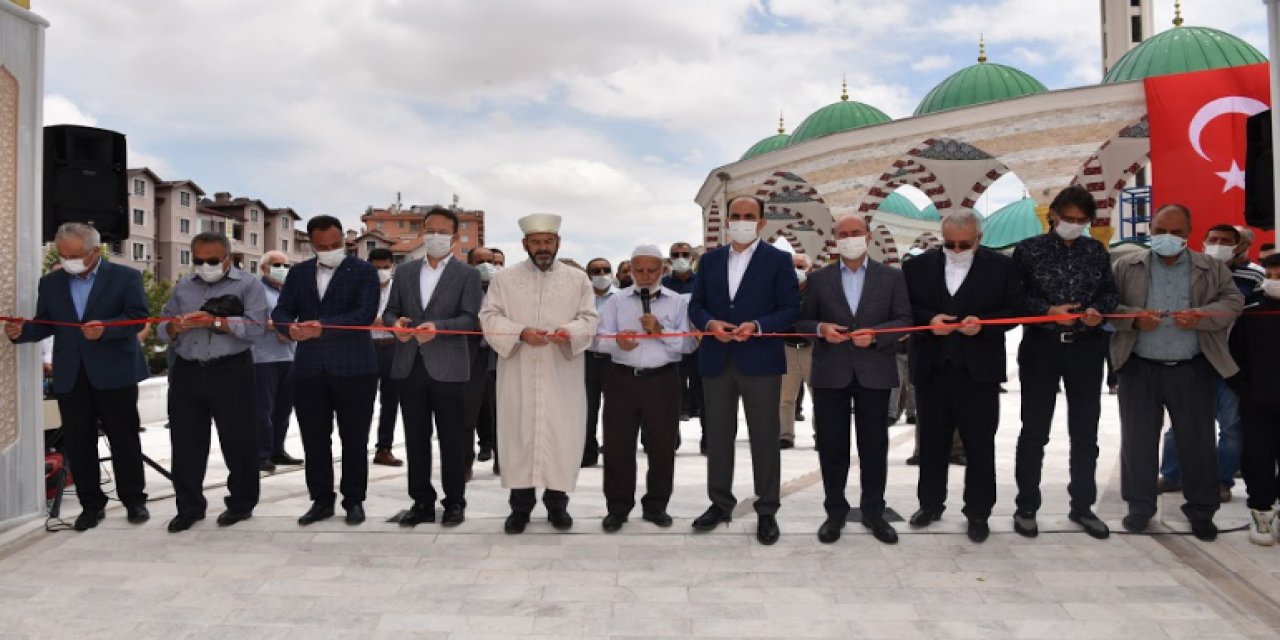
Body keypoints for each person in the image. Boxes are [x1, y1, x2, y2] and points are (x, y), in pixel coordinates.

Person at [4, 223, 150, 531]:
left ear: (95, 251)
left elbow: (137, 319)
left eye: (75, 255)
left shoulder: (126, 277)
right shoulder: (52, 282)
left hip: (115, 372)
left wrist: (106, 329)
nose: (69, 260)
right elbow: (47, 323)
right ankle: (90, 505)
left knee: (124, 439)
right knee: (78, 442)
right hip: (71, 374)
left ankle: (134, 500)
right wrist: (22, 332)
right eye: (63, 255)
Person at [1111, 204, 1243, 541]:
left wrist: (1201, 315)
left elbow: (1232, 302)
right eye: (1160, 231)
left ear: (1189, 233)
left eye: (1176, 232)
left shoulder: (1210, 267)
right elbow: (1108, 305)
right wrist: (1135, 317)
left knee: (1197, 444)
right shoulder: (1127, 265)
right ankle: (1139, 509)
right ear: (1150, 230)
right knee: (1138, 443)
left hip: (1192, 368)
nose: (1167, 238)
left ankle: (1201, 512)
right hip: (1140, 367)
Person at [903, 209, 1023, 543]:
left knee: (979, 444)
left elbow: (1014, 310)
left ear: (979, 239)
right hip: (932, 368)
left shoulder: (1002, 267)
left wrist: (982, 324)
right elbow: (905, 308)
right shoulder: (916, 267)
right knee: (931, 442)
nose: (956, 250)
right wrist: (930, 321)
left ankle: (978, 512)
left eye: (964, 244)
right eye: (950, 244)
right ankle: (930, 504)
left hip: (979, 372)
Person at [688, 195, 800, 545]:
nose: (741, 221)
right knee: (718, 436)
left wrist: (756, 324)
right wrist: (709, 324)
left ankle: (767, 509)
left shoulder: (779, 261)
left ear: (761, 222)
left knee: (765, 437)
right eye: (735, 215)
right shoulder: (709, 261)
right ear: (726, 220)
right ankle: (720, 503)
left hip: (760, 360)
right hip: (717, 359)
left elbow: (789, 308)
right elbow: (696, 305)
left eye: (748, 216)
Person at [478, 213, 599, 534]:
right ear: (525, 244)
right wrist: (519, 332)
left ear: (557, 243)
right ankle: (520, 508)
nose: (542, 247)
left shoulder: (578, 280)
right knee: (519, 435)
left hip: (562, 371)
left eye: (548, 241)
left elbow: (590, 317)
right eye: (536, 242)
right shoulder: (505, 280)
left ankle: (558, 506)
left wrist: (569, 331)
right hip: (518, 368)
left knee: (560, 436)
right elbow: (489, 315)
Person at [1010, 186, 1119, 539]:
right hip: (1042, 349)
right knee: (1034, 431)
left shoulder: (1095, 251)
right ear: (1053, 215)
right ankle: (1027, 506)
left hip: (1087, 349)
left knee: (1085, 431)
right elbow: (1015, 298)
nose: (1074, 225)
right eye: (1068, 219)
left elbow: (1109, 293)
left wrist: (1096, 312)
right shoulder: (1028, 250)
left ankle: (1083, 506)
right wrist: (1047, 312)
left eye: (1081, 221)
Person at [796, 214, 911, 545]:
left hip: (874, 371)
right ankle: (835, 513)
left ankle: (874, 512)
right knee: (832, 446)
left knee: (874, 446)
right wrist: (821, 330)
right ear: (835, 239)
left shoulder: (891, 277)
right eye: (843, 234)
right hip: (831, 372)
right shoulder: (819, 280)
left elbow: (904, 320)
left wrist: (876, 335)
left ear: (868, 236)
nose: (849, 238)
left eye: (855, 233)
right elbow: (802, 321)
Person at [272, 215, 381, 526]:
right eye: (323, 247)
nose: (330, 250)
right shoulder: (298, 273)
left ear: (344, 243)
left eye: (336, 245)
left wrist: (323, 328)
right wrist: (289, 327)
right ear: (312, 245)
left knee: (355, 438)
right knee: (314, 439)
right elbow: (282, 309)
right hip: (309, 370)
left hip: (355, 368)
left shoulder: (364, 271)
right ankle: (321, 501)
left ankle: (354, 500)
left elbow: (365, 314)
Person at [158, 233, 269, 532]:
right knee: (185, 443)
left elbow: (257, 329)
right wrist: (174, 327)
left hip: (231, 370)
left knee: (239, 441)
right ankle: (189, 507)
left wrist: (216, 323)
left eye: (211, 261)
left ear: (227, 258)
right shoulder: (183, 286)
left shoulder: (248, 285)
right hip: (188, 371)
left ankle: (241, 504)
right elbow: (161, 325)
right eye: (198, 260)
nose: (204, 266)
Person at [385, 207, 484, 527]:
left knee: (452, 438)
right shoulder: (405, 272)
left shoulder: (467, 275)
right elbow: (390, 312)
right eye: (430, 230)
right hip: (409, 365)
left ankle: (455, 501)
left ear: (454, 237)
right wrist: (396, 324)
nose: (435, 237)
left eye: (442, 232)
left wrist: (437, 327)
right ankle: (421, 501)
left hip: (449, 367)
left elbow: (471, 318)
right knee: (415, 438)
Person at [596, 245, 696, 532]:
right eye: (639, 270)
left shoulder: (677, 302)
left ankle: (656, 506)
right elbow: (597, 339)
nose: (645, 275)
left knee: (662, 447)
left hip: (663, 380)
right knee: (617, 447)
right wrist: (618, 341)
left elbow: (689, 344)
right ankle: (617, 508)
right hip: (622, 379)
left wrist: (660, 332)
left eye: (652, 270)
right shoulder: (616, 302)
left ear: (663, 270)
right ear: (630, 269)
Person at [1157, 223, 1259, 503]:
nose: (1217, 244)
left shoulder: (1253, 278)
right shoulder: (1187, 271)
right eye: (1212, 239)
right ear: (1201, 241)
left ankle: (1222, 480)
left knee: (1231, 427)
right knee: (1179, 423)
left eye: (1225, 241)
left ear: (1238, 247)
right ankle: (1172, 474)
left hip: (1230, 366)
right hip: (1192, 361)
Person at [1231, 254, 1280, 544]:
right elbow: (1234, 355)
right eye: (1272, 273)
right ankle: (1261, 513)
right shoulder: (1251, 312)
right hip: (1258, 402)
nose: (1276, 279)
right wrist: (1243, 388)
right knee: (1257, 458)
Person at [252, 251, 302, 472]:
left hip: (290, 356)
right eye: (276, 264)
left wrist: (291, 331)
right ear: (264, 268)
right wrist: (279, 327)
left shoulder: (289, 292)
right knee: (263, 409)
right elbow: (251, 320)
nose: (283, 268)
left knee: (283, 409)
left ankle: (277, 450)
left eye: (286, 264)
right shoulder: (256, 291)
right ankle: (260, 454)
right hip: (263, 358)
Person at [662, 241, 704, 446]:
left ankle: (709, 440)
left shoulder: (703, 282)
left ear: (693, 259)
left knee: (703, 393)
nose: (681, 258)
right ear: (669, 260)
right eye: (676, 254)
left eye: (685, 254)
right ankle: (670, 440)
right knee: (670, 395)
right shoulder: (662, 285)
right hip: (671, 346)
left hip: (699, 346)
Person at [367, 248, 404, 467]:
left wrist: (390, 322)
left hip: (392, 348)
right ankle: (356, 445)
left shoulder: (399, 289)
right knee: (362, 401)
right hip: (366, 347)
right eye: (376, 267)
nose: (381, 271)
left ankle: (384, 448)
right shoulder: (360, 288)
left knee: (390, 401)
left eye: (385, 267)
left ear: (392, 267)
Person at [464, 247, 499, 470]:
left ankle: (503, 460)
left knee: (502, 409)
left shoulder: (504, 289)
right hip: (470, 355)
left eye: (490, 261)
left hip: (499, 355)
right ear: (470, 265)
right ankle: (466, 461)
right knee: (468, 412)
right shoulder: (463, 288)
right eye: (480, 261)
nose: (486, 265)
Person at [582, 257, 616, 467]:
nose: (601, 274)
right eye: (596, 271)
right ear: (588, 275)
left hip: (614, 360)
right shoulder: (580, 299)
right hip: (586, 359)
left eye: (605, 270)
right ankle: (587, 453)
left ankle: (614, 452)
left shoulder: (621, 298)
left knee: (615, 410)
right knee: (587, 408)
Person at [779, 253, 814, 449]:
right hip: (787, 348)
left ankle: (821, 434)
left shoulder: (816, 291)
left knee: (818, 394)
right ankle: (785, 435)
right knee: (785, 398)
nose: (796, 271)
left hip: (811, 348)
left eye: (801, 266)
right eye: (793, 266)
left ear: (808, 269)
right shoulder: (781, 291)